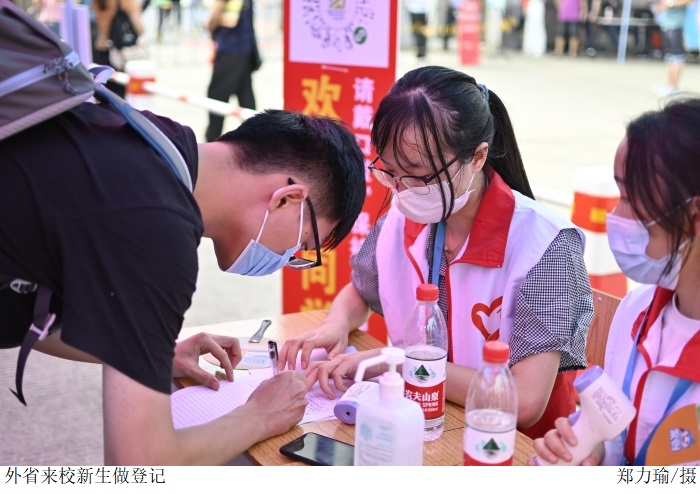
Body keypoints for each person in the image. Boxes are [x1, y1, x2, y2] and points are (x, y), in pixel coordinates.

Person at [0, 103, 366, 464]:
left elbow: (38, 311)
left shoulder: (149, 138)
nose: (288, 259)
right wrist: (259, 416)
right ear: (287, 199)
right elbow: (139, 464)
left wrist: (154, 352)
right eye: (302, 244)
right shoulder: (157, 235)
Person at [279, 65, 594, 440]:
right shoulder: (402, 219)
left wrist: (399, 364)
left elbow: (524, 403)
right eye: (389, 171)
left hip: (514, 447)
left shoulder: (545, 245)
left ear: (477, 157)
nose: (402, 189)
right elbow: (362, 290)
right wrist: (336, 324)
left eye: (419, 174)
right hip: (425, 425)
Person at [531, 97, 700, 466]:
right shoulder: (637, 312)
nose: (616, 216)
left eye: (631, 198)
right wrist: (590, 449)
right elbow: (621, 439)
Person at [204, 0, 259, 142]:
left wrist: (210, 25)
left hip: (231, 50)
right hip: (244, 50)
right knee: (245, 97)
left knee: (217, 97)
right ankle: (255, 140)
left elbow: (212, 19)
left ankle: (212, 140)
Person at [92, 0, 144, 98]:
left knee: (104, 95)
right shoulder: (126, 3)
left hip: (102, 48)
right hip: (119, 54)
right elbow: (139, 28)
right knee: (121, 96)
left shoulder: (99, 3)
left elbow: (99, 22)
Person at [651, 0, 692, 96]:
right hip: (667, 25)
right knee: (669, 56)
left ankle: (673, 86)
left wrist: (671, 3)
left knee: (676, 56)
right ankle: (669, 84)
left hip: (676, 26)